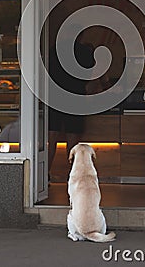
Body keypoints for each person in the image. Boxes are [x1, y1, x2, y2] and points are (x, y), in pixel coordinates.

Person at [48, 24, 95, 178]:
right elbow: (90, 78)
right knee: (73, 138)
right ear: (80, 36)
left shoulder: (54, 50)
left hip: (55, 97)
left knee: (51, 136)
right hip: (76, 97)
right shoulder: (85, 52)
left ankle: (44, 173)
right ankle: (73, 176)